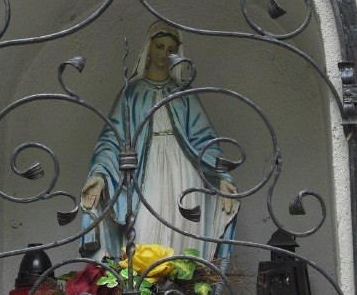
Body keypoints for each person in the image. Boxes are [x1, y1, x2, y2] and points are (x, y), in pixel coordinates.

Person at [79, 21, 239, 264]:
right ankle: (145, 287)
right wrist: (100, 175)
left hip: (183, 172)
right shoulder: (132, 92)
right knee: (143, 231)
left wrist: (223, 176)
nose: (164, 54)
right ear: (148, 48)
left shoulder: (183, 93)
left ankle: (183, 287)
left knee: (183, 234)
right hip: (146, 173)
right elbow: (112, 139)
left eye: (171, 49)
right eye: (159, 46)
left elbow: (204, 138)